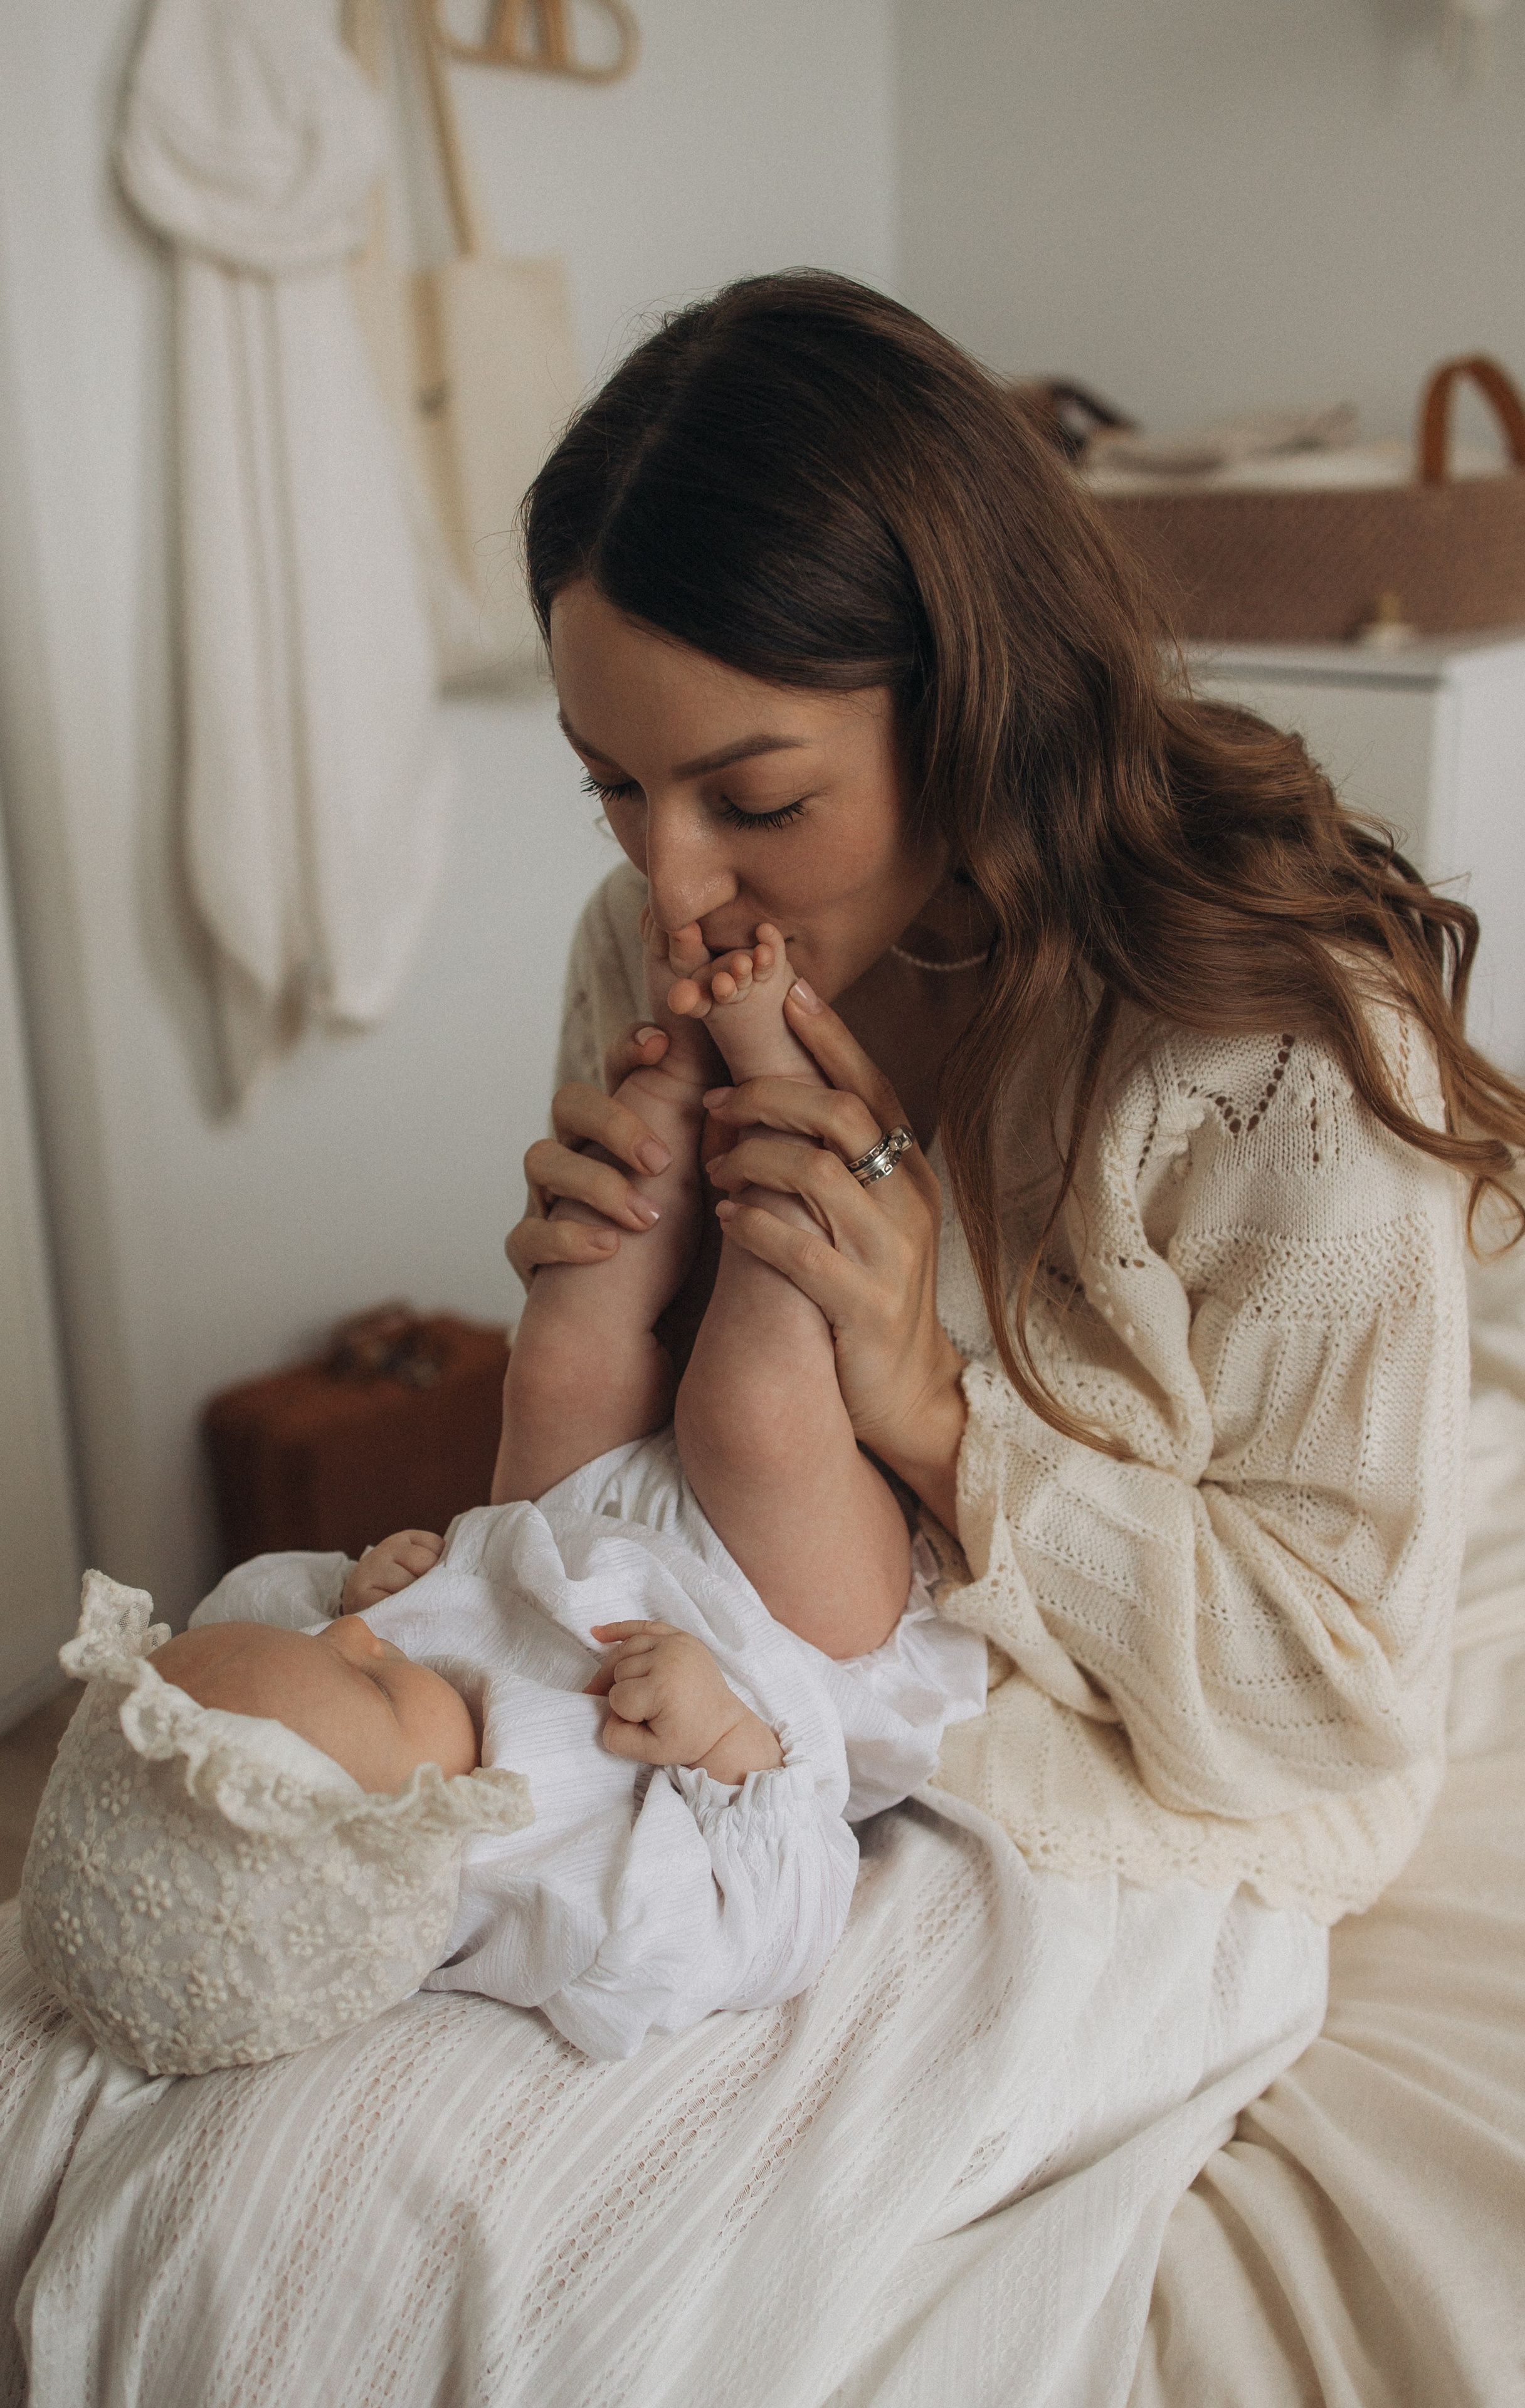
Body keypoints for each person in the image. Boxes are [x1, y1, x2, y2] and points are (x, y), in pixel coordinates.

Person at [510, 270, 1525, 2024]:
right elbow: (647, 1485)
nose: (669, 881)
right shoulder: (643, 947)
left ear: (975, 703)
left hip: (1166, 1744)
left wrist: (928, 1398)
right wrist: (598, 1298)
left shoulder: (1262, 1051)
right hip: (774, 1649)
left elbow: (1329, 1695)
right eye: (609, 781)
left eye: (756, 801)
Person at [17, 905, 987, 2073]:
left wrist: (359, 1579)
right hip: (786, 1643)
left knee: (565, 1347)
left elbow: (301, 1616)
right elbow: (780, 1919)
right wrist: (724, 1737)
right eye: (367, 1684)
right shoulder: (561, 1908)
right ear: (406, 1860)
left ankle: (675, 1081)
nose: (372, 1643)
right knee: (753, 1415)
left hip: (570, 1537)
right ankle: (780, 1090)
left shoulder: (334, 1675)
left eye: (334, 1641)